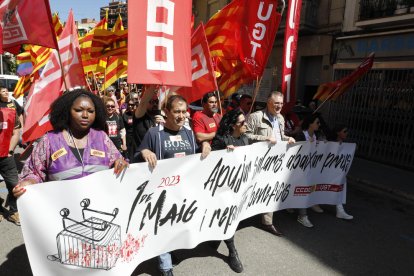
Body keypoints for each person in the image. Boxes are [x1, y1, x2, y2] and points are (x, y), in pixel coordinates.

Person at [136, 94, 211, 276]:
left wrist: (206, 144)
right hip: (162, 194)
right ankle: (165, 268)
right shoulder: (155, 133)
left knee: (175, 227)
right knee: (161, 228)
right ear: (166, 112)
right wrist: (145, 151)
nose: (181, 115)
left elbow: (193, 158)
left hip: (183, 192)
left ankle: (170, 251)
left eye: (184, 112)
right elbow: (139, 153)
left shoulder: (188, 132)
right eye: (177, 111)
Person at [14, 89, 128, 198]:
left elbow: (118, 162)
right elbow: (34, 172)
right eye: (78, 110)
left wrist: (119, 163)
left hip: (98, 207)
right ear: (67, 111)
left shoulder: (102, 137)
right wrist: (29, 182)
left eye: (90, 111)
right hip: (62, 210)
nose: (85, 115)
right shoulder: (49, 140)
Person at [245, 91, 295, 236]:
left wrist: (288, 138)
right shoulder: (256, 116)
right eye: (276, 103)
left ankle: (267, 222)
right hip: (258, 160)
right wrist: (264, 138)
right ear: (269, 102)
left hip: (275, 160)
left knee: (271, 189)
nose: (279, 106)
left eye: (281, 103)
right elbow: (245, 135)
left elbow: (280, 136)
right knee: (252, 189)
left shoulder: (280, 118)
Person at [210, 109, 248, 273]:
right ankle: (232, 252)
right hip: (222, 188)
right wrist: (224, 153)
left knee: (231, 218)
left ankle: (215, 235)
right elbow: (210, 162)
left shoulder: (245, 138)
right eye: (242, 122)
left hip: (239, 187)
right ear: (233, 126)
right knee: (227, 218)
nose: (245, 124)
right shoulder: (221, 140)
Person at [294, 114, 323, 228]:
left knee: (306, 190)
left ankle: (299, 208)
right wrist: (307, 145)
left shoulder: (317, 135)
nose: (319, 125)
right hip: (300, 170)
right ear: (310, 123)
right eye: (317, 122)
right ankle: (302, 215)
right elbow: (295, 151)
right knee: (303, 191)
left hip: (311, 168)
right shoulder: (301, 135)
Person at [0, 86, 21, 225]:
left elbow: (16, 131)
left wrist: (10, 151)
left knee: (14, 184)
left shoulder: (10, 111)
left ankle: (14, 211)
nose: (6, 92)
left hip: (6, 157)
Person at [329, 124, 353, 220]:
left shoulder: (345, 145)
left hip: (338, 173)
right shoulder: (330, 143)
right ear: (338, 132)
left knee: (339, 187)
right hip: (328, 172)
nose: (346, 133)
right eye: (344, 131)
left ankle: (340, 210)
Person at [133, 85, 165, 151]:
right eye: (152, 102)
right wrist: (155, 83)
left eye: (156, 102)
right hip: (141, 156)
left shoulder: (162, 118)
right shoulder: (140, 116)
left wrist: (165, 125)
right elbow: (143, 103)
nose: (155, 104)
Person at [122, 94, 137, 161]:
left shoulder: (139, 114)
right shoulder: (125, 114)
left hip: (137, 139)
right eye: (129, 104)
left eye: (132, 105)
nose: (130, 106)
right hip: (128, 139)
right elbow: (123, 129)